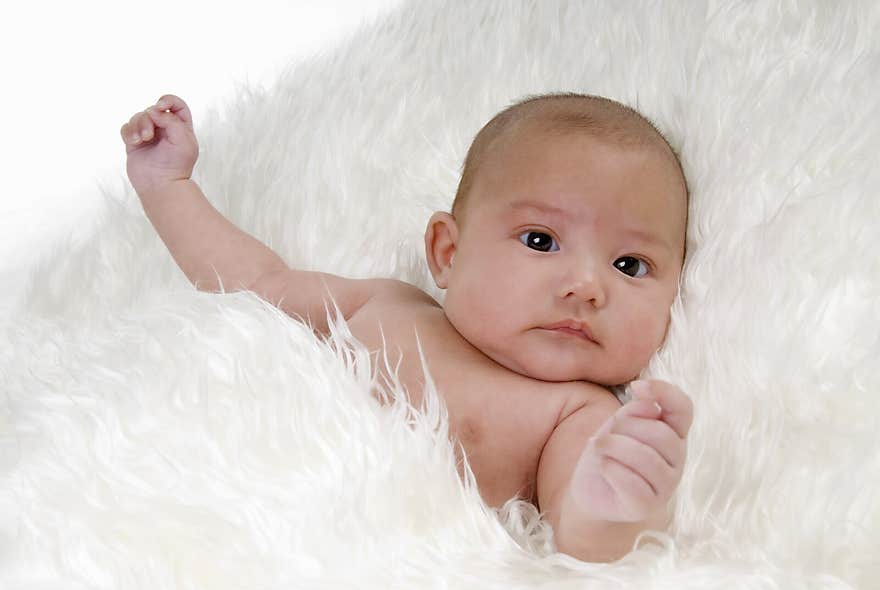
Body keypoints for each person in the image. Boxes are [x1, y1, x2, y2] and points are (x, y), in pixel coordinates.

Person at [120, 92, 694, 563]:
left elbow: (578, 534)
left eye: (630, 265)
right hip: (216, 498)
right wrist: (169, 188)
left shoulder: (577, 414)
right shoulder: (387, 305)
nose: (588, 286)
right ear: (447, 252)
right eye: (541, 240)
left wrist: (620, 497)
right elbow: (254, 285)